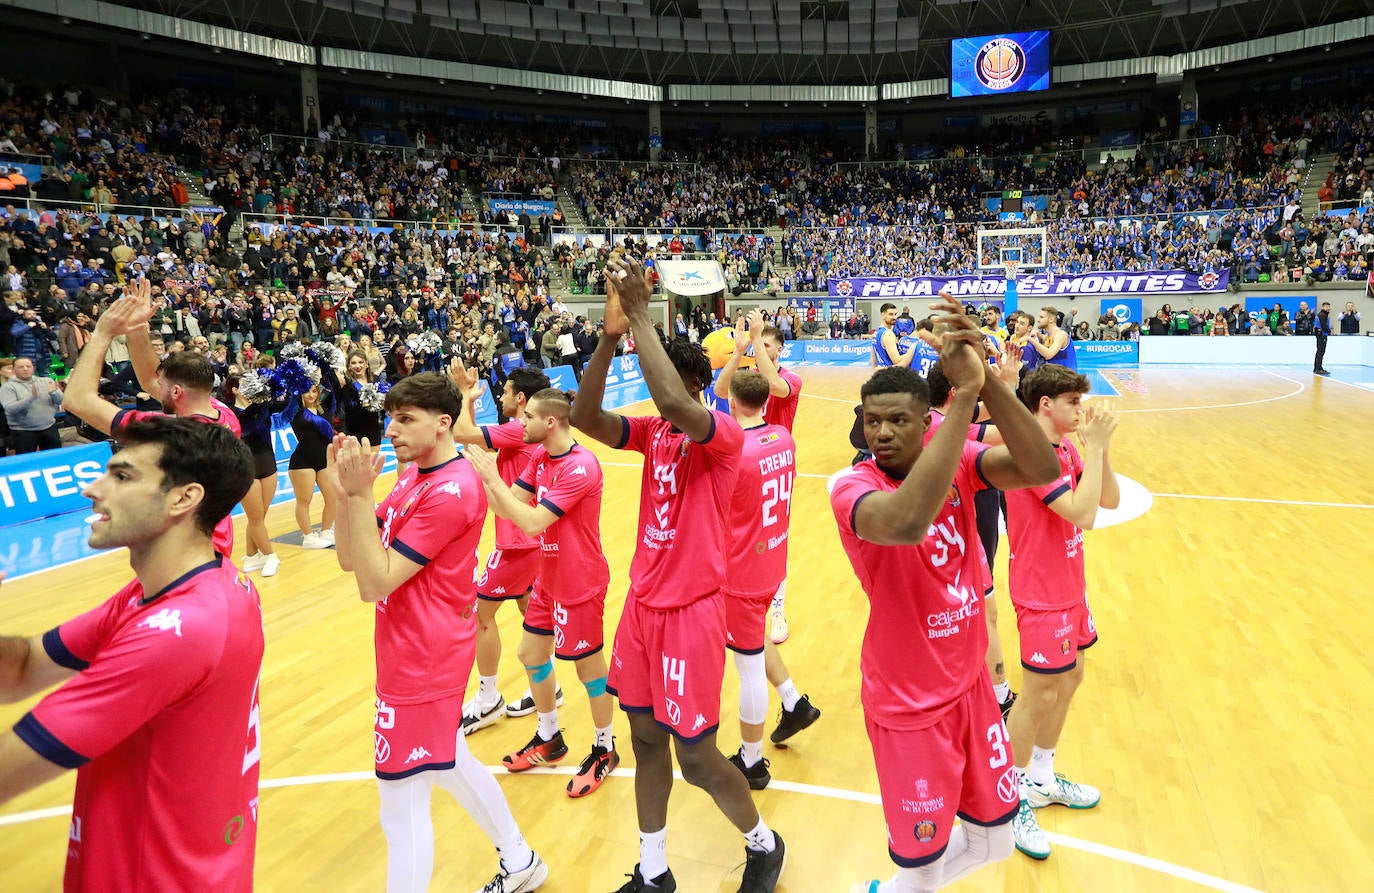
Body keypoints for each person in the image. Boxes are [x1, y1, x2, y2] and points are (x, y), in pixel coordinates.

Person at [830, 292, 1060, 893]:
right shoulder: (851, 487)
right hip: (909, 706)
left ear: (923, 421)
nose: (880, 432)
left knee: (995, 840)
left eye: (897, 420)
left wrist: (986, 385)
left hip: (970, 689)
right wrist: (962, 400)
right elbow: (907, 521)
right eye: (871, 420)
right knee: (924, 865)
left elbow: (1041, 469)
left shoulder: (957, 458)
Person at [570, 257, 786, 893]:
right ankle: (655, 869)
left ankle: (764, 844)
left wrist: (640, 314)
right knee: (642, 740)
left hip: (693, 611)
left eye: (657, 370)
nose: (652, 389)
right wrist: (610, 338)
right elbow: (586, 419)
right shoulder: (653, 433)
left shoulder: (718, 433)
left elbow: (669, 396)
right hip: (642, 608)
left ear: (696, 384)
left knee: (694, 755)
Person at [0, 415, 262, 892]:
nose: (92, 490)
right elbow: (20, 671)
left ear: (184, 498)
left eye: (122, 477)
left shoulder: (178, 631)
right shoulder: (192, 587)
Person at [329, 374, 548, 893]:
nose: (392, 429)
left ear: (443, 423)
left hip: (423, 658)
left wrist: (360, 500)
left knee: (399, 805)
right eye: (391, 417)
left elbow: (374, 581)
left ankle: (518, 861)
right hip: (412, 648)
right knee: (449, 762)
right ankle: (520, 861)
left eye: (406, 419)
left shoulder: (451, 490)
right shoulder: (413, 476)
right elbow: (350, 558)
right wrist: (345, 497)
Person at [466, 389, 620, 798]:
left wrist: (494, 480)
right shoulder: (539, 457)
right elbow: (507, 508)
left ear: (550, 422)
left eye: (528, 417)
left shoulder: (580, 467)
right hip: (548, 577)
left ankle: (605, 747)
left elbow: (532, 523)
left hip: (580, 581)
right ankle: (549, 737)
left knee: (588, 669)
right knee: (531, 654)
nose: (521, 424)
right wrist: (489, 480)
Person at [1003, 363, 1120, 862]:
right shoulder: (1031, 457)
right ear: (1045, 405)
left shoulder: (1068, 446)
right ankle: (1008, 799)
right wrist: (1092, 448)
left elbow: (1108, 498)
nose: (1081, 409)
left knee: (1070, 680)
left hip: (1072, 587)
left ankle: (1043, 778)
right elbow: (1083, 515)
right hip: (1040, 593)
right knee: (1037, 694)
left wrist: (1100, 449)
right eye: (1073, 402)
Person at [60, 283, 242, 558]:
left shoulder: (168, 433)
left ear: (177, 392)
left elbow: (76, 399)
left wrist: (101, 334)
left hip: (180, 552)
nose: (154, 386)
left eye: (162, 384)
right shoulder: (223, 413)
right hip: (214, 541)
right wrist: (136, 329)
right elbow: (150, 379)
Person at [447, 361, 562, 732]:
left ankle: (488, 698)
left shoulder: (517, 430)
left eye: (507, 390)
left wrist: (465, 394)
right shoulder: (522, 431)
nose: (502, 395)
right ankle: (552, 688)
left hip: (517, 542)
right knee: (531, 611)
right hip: (532, 539)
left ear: (522, 399)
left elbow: (464, 433)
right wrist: (471, 402)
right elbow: (475, 435)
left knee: (481, 614)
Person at [721, 369, 820, 792]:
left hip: (741, 569)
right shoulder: (783, 437)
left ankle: (752, 761)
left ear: (731, 401)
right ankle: (794, 701)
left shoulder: (734, 451)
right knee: (754, 640)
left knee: (746, 666)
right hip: (771, 558)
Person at [712, 309, 804, 644]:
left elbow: (777, 388)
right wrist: (739, 351)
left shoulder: (791, 378)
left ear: (780, 349)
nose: (761, 348)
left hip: (775, 461)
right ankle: (735, 596)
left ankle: (777, 609)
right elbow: (722, 393)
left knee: (776, 538)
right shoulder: (750, 377)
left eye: (767, 344)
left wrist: (754, 341)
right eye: (759, 343)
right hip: (745, 462)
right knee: (738, 535)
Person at [228, 369, 281, 576]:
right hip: (245, 467)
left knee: (259, 517)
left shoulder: (262, 406)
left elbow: (284, 403)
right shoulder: (230, 411)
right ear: (235, 390)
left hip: (268, 462)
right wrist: (259, 403)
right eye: (245, 385)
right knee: (256, 517)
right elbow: (244, 425)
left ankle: (251, 557)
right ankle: (270, 556)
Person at [283, 376, 338, 550]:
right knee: (304, 500)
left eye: (314, 390)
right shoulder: (295, 411)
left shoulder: (325, 409)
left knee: (332, 497)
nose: (311, 394)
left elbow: (333, 385)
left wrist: (324, 366)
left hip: (323, 460)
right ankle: (308, 536)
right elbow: (289, 394)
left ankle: (326, 530)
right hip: (302, 461)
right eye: (307, 391)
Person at [0, 356, 64, 452]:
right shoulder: (7, 387)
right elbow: (10, 409)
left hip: (49, 428)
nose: (25, 369)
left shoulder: (46, 381)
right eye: (21, 367)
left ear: (33, 368)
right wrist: (30, 398)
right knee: (26, 462)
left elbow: (61, 401)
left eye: (28, 366)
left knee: (54, 460)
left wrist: (53, 393)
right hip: (23, 432)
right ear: (13, 370)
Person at [871, 302, 913, 368]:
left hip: (880, 373)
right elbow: (896, 361)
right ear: (883, 315)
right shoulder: (888, 334)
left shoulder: (876, 332)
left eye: (895, 314)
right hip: (889, 374)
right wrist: (914, 351)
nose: (894, 317)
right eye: (890, 314)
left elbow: (873, 359)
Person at [1314, 301, 1332, 375]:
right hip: (1321, 334)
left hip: (1321, 334)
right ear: (1322, 307)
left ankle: (1318, 367)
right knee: (1320, 351)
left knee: (1320, 351)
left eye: (1328, 306)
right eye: (1326, 306)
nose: (1328, 308)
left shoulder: (1324, 314)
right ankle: (1318, 368)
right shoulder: (1322, 315)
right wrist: (1329, 331)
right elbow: (1323, 325)